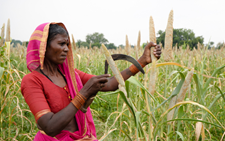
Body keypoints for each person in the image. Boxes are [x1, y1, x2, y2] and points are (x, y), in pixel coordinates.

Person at [21, 22, 161, 141]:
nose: (66, 49)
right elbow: (50, 127)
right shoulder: (32, 81)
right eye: (61, 44)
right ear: (44, 46)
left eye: (67, 44)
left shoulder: (70, 74)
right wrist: (83, 94)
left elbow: (111, 84)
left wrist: (142, 61)